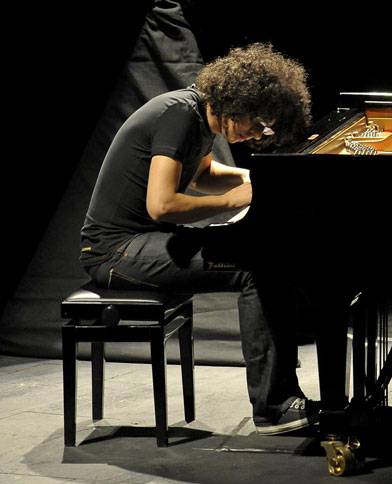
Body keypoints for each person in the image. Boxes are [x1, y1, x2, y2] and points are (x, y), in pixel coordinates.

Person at [79, 43, 317, 435]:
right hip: (115, 252)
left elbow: (202, 175)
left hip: (145, 240)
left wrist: (258, 180)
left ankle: (283, 390)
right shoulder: (178, 115)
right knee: (254, 270)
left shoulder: (199, 117)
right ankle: (273, 407)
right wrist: (234, 199)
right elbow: (161, 205)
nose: (257, 133)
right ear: (237, 102)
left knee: (267, 256)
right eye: (256, 122)